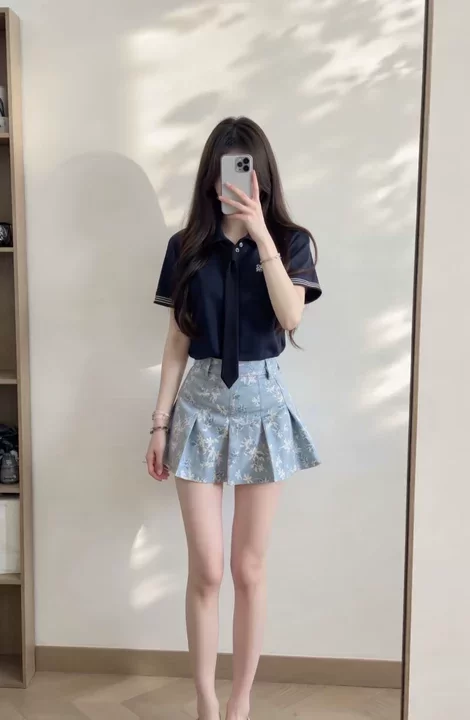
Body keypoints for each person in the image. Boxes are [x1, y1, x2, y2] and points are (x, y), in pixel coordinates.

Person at [147, 117, 322, 720]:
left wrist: (261, 235)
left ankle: (240, 702)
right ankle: (204, 699)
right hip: (198, 409)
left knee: (248, 569)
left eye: (247, 169)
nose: (238, 181)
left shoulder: (292, 242)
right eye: (227, 170)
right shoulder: (185, 247)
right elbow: (177, 339)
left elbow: (291, 317)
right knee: (206, 570)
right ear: (211, 177)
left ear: (262, 174)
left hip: (262, 411)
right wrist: (160, 422)